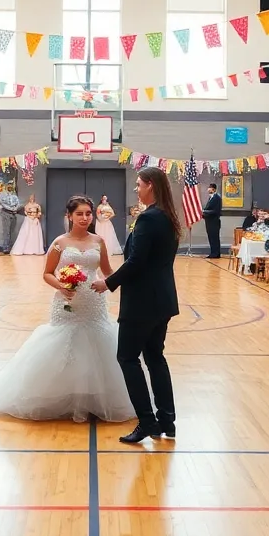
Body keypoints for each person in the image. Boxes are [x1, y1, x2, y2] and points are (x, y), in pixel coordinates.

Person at [0, 196, 133, 423]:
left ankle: (94, 399)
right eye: (79, 214)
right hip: (67, 301)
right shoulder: (60, 242)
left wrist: (116, 282)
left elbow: (107, 271)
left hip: (94, 301)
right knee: (65, 345)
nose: (85, 218)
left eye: (88, 213)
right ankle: (60, 396)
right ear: (69, 216)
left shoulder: (98, 241)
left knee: (97, 345)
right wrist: (61, 286)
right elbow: (47, 273)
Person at [91, 167, 181, 445]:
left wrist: (108, 283)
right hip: (162, 299)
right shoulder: (167, 216)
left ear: (151, 185)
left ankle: (147, 421)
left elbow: (136, 261)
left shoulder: (148, 218)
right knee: (155, 357)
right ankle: (167, 421)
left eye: (139, 185)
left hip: (142, 301)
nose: (137, 189)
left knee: (128, 358)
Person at [0, 183, 22, 251]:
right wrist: (11, 209)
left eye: (11, 185)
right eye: (9, 185)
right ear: (6, 186)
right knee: (6, 231)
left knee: (12, 231)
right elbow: (3, 204)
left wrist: (15, 208)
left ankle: (11, 247)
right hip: (6, 213)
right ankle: (6, 247)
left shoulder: (14, 195)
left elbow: (18, 203)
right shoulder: (2, 194)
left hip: (13, 214)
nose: (10, 187)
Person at [203, 183, 223, 259]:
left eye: (210, 188)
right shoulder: (210, 198)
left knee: (214, 238)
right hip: (209, 222)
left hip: (214, 222)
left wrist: (205, 211)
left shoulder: (217, 198)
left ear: (213, 189)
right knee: (211, 238)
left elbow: (216, 211)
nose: (208, 189)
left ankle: (216, 253)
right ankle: (213, 252)